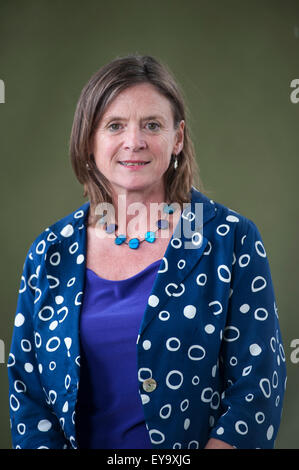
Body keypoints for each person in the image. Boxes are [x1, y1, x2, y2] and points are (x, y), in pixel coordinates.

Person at [8, 54, 286, 450]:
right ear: (90, 140)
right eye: (115, 125)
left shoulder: (228, 239)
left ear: (177, 138)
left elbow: (257, 387)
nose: (133, 141)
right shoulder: (51, 252)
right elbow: (28, 393)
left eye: (152, 125)